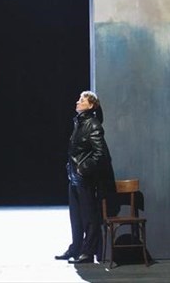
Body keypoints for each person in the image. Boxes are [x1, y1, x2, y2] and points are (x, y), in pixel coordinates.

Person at [55, 90, 116, 264]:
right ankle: (76, 248)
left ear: (90, 106)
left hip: (85, 179)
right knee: (75, 217)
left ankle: (87, 253)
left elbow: (101, 154)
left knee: (89, 217)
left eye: (82, 100)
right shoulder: (80, 123)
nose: (77, 102)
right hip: (74, 178)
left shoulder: (93, 125)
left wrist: (83, 169)